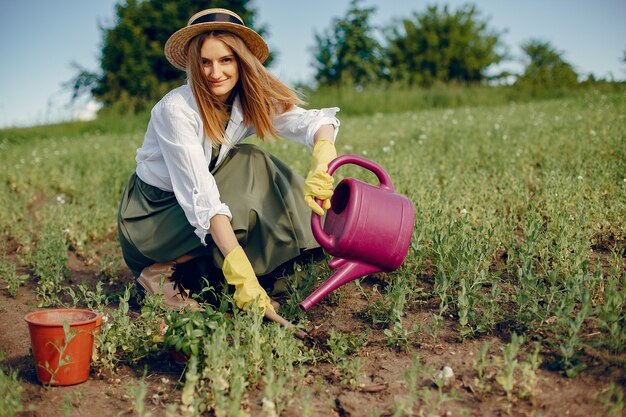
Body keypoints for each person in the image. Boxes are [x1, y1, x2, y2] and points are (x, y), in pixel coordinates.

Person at [117, 8, 340, 315]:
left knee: (255, 161)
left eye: (225, 60)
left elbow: (313, 123)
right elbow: (202, 198)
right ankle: (159, 273)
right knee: (244, 172)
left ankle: (265, 261)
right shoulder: (176, 110)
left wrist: (323, 155)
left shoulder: (244, 100)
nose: (215, 72)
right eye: (205, 62)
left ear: (240, 61)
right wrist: (243, 279)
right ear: (194, 65)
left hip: (188, 210)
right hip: (153, 219)